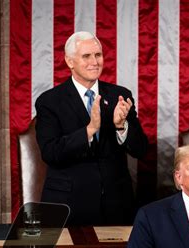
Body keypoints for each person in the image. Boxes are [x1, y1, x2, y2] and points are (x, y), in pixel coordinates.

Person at [35, 31, 148, 226]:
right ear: (70, 61)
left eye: (98, 55)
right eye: (86, 56)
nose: (94, 62)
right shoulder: (50, 101)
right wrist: (89, 130)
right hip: (69, 204)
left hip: (117, 203)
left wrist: (121, 127)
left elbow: (141, 149)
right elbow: (50, 152)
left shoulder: (119, 96)